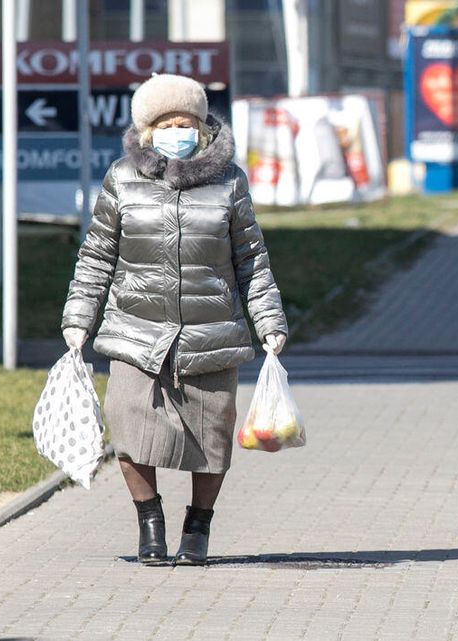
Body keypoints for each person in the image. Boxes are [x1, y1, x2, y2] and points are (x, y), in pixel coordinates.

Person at [61, 73, 288, 566]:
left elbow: (251, 258)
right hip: (135, 335)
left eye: (184, 121)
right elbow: (97, 255)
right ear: (147, 130)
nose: (175, 130)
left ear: (202, 127)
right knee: (128, 430)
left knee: (212, 441)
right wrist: (80, 317)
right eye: (165, 122)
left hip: (211, 334)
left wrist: (270, 321)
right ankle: (149, 519)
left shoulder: (229, 181)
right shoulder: (122, 178)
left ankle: (198, 527)